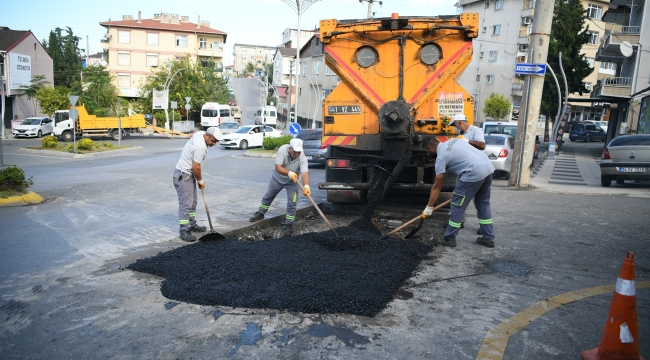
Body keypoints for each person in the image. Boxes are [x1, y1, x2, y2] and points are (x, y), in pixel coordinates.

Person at [421, 136, 496, 248]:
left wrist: (429, 207)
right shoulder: (454, 140)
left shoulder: (441, 158)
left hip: (473, 172)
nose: (427, 154)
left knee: (457, 206)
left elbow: (436, 187)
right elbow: (463, 162)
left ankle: (449, 238)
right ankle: (488, 238)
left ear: (430, 148)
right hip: (488, 169)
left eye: (426, 151)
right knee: (483, 204)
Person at [249, 138, 310, 237]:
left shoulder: (302, 156)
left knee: (292, 202)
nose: (297, 154)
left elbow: (305, 173)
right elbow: (278, 167)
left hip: (293, 182)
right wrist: (289, 173)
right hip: (277, 178)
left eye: (299, 152)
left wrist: (306, 186)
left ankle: (289, 224)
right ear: (290, 148)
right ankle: (260, 213)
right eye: (295, 152)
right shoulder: (282, 150)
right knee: (268, 196)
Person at [173, 127, 218, 242]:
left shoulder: (201, 133)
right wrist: (200, 181)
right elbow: (196, 167)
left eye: (216, 141)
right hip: (183, 175)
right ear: (207, 136)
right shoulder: (200, 147)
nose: (214, 144)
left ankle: (192, 224)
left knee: (193, 202)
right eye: (213, 141)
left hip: (189, 174)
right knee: (186, 204)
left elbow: (194, 134)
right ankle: (184, 230)